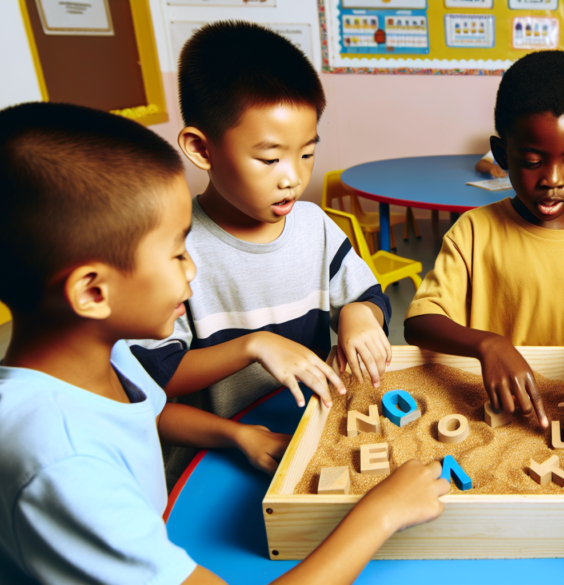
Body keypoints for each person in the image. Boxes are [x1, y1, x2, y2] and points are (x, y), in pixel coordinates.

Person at [0, 102, 450, 585]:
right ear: (93, 292)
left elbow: (147, 411)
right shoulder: (62, 465)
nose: (193, 271)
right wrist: (382, 513)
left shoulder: (102, 358)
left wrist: (236, 434)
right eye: (178, 253)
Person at [127, 21, 393, 486]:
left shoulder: (316, 227)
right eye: (270, 159)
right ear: (200, 148)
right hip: (214, 454)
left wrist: (358, 314)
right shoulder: (173, 254)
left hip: (306, 434)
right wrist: (254, 347)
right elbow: (153, 386)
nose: (292, 176)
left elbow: (367, 295)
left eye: (307, 153)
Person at [404, 50, 564, 429]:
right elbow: (418, 322)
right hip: (497, 416)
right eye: (532, 161)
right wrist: (489, 345)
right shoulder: (474, 230)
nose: (553, 180)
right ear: (501, 155)